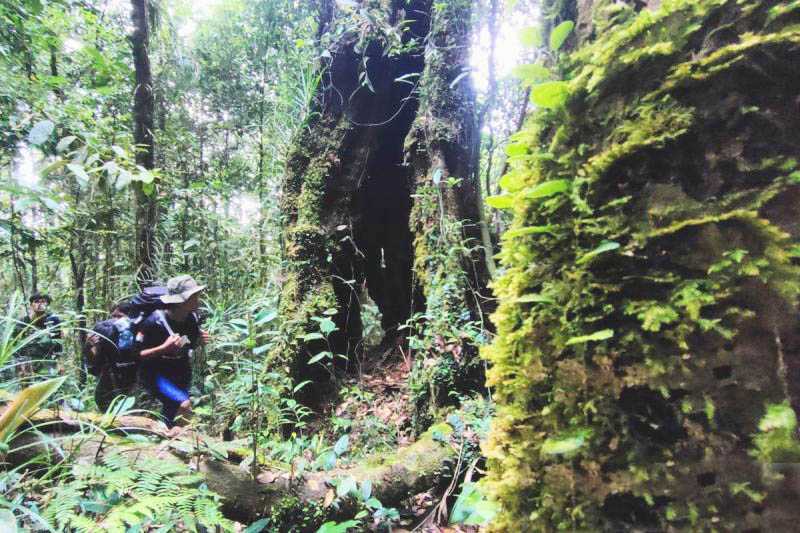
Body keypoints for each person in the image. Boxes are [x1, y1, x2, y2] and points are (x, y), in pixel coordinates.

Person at [135, 275, 209, 429]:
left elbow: (188, 344)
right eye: (193, 296)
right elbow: (137, 355)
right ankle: (181, 443)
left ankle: (164, 442)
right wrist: (163, 348)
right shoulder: (153, 322)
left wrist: (198, 342)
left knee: (171, 411)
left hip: (181, 372)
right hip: (156, 375)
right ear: (180, 301)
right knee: (184, 404)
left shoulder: (191, 319)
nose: (198, 299)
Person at [87, 302, 139, 412]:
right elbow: (95, 360)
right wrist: (91, 345)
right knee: (103, 400)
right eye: (113, 316)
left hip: (133, 376)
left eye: (119, 316)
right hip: (110, 374)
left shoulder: (137, 330)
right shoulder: (105, 330)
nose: (116, 320)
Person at [14, 292, 63, 377]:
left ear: (47, 304)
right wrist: (20, 365)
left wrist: (60, 364)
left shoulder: (52, 322)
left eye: (43, 302)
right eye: (36, 301)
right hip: (26, 364)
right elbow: (14, 345)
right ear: (31, 305)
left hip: (46, 363)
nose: (40, 304)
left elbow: (58, 345)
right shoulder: (22, 323)